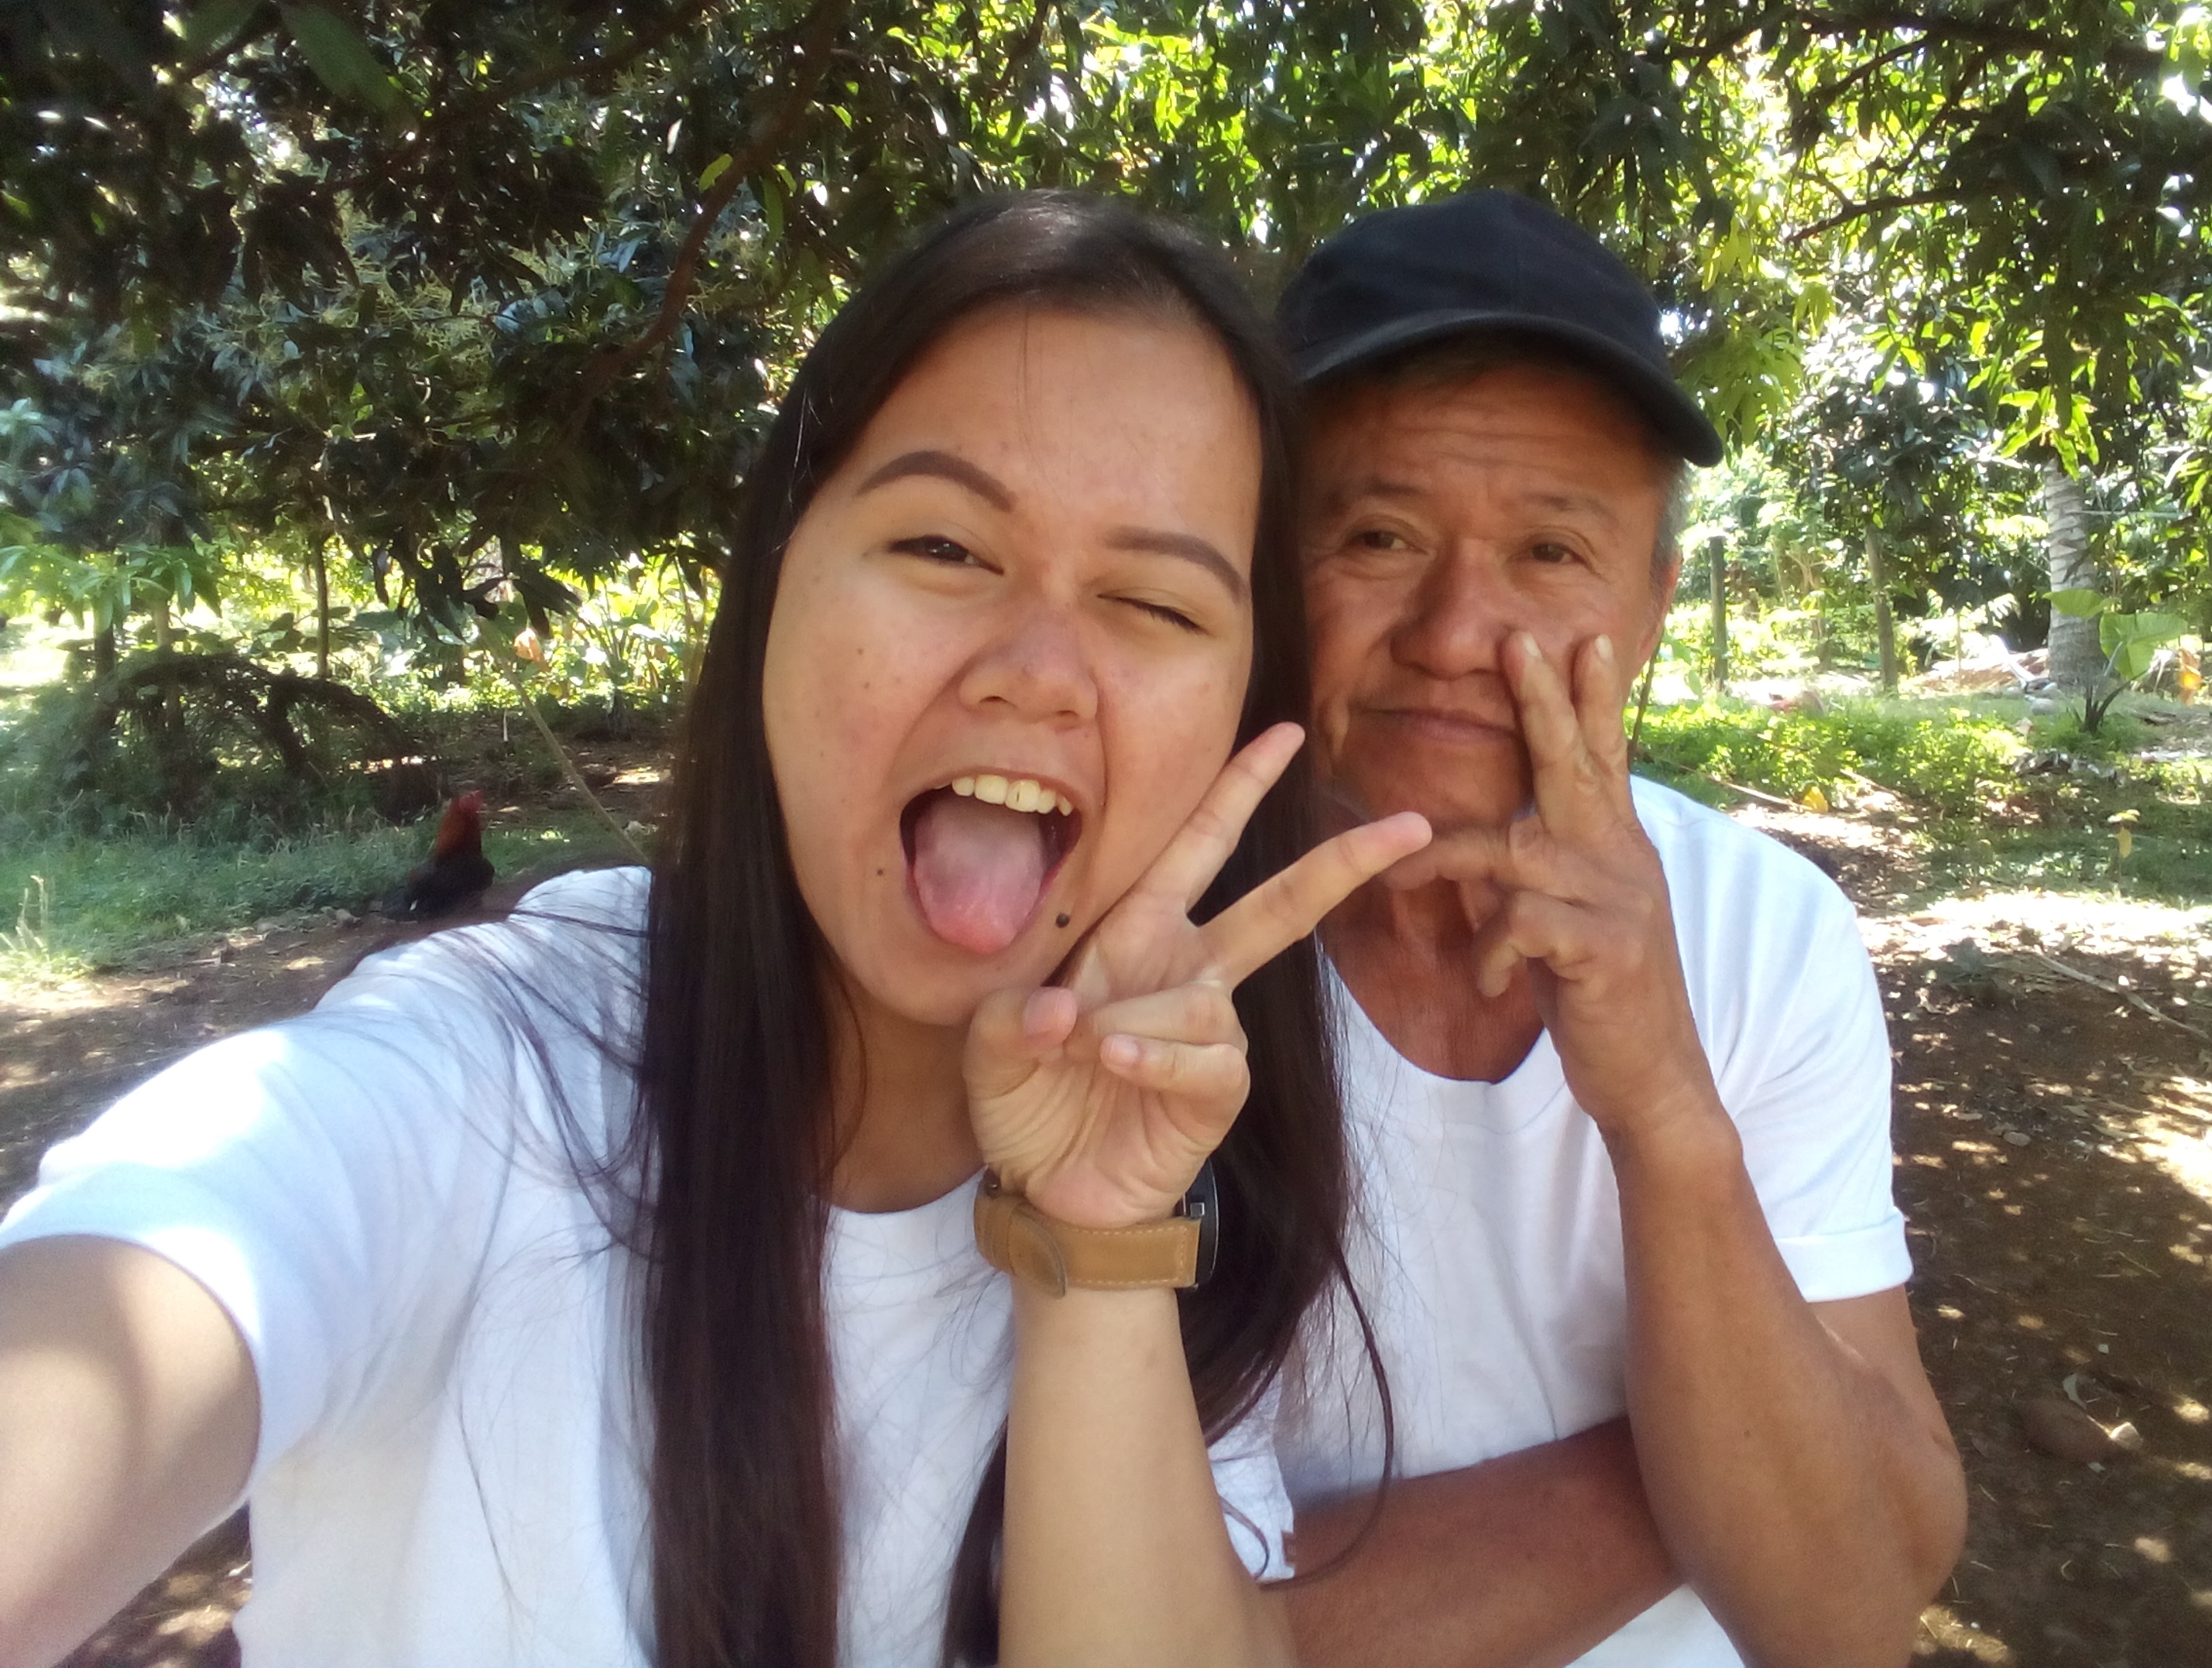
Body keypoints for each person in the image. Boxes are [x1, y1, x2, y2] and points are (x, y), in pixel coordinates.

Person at [0, 194, 1430, 1668]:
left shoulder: (1188, 1195)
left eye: (1154, 603)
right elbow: (170, 1274)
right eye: (945, 545)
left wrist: (1097, 1246)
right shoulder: (485, 1084)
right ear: (776, 583)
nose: (1041, 669)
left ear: (1240, 715)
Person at [1268, 190, 1967, 1668]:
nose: (1457, 635)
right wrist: (1716, 1475)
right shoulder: (1157, 944)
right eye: (1380, 534)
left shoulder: (1766, 934)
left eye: (1551, 552)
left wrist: (1662, 1104)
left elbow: (1852, 1611)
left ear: (1650, 605)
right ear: (1265, 563)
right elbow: (1127, 1615)